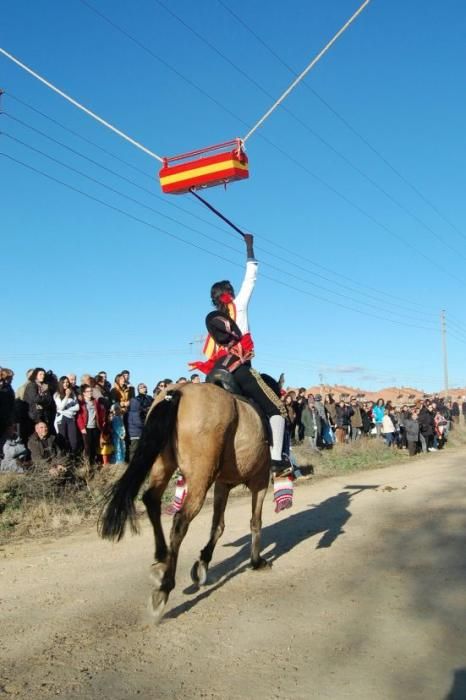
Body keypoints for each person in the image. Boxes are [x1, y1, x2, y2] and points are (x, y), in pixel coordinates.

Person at [189, 233, 289, 479]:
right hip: (240, 371)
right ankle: (277, 461)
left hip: (215, 373)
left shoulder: (214, 324)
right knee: (277, 409)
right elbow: (251, 275)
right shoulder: (239, 305)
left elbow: (210, 355)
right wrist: (249, 246)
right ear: (229, 293)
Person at [76, 384, 106, 464]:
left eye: (91, 391)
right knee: (87, 447)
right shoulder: (81, 403)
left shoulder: (95, 401)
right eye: (88, 391)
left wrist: (101, 422)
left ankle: (93, 463)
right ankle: (86, 465)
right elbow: (79, 417)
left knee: (94, 446)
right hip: (86, 427)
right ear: (84, 393)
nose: (90, 393)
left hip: (95, 427)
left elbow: (100, 413)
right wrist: (82, 428)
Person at [53, 376, 80, 454]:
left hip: (71, 418)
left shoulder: (73, 393)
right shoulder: (57, 394)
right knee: (63, 439)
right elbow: (61, 407)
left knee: (73, 440)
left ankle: (73, 457)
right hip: (61, 418)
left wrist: (67, 409)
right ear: (60, 383)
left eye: (67, 382)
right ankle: (64, 459)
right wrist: (67, 396)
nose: (66, 384)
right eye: (64, 382)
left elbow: (77, 407)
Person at [23, 367, 54, 432]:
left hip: (43, 414)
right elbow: (36, 398)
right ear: (35, 375)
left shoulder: (44, 386)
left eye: (43, 374)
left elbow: (50, 400)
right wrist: (45, 398)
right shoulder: (31, 385)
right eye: (40, 374)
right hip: (33, 415)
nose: (42, 376)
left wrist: (46, 395)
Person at [127, 383, 153, 460]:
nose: (144, 388)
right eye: (141, 387)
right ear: (138, 390)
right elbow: (135, 415)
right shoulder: (135, 400)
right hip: (137, 428)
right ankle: (132, 465)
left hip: (146, 426)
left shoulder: (149, 398)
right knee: (134, 449)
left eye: (145, 386)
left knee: (145, 448)